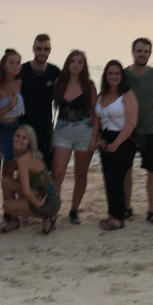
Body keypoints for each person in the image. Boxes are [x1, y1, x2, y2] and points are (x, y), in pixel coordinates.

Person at [123, 38, 153, 226]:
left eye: (146, 51)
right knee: (126, 171)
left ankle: (152, 210)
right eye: (139, 51)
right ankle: (126, 208)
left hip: (150, 129)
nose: (142, 54)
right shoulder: (124, 75)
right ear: (133, 52)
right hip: (127, 131)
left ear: (150, 54)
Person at [51, 50, 97, 224]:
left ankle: (74, 211)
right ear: (68, 64)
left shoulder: (89, 85)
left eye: (80, 62)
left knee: (81, 173)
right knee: (57, 173)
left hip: (84, 129)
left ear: (84, 66)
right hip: (62, 129)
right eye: (73, 61)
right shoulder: (58, 83)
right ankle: (53, 209)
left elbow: (95, 111)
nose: (76, 64)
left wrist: (94, 136)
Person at [93, 60, 138, 230]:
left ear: (122, 76)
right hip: (105, 138)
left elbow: (131, 123)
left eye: (117, 73)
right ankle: (112, 214)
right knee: (109, 179)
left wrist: (116, 144)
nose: (114, 76)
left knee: (118, 179)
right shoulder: (101, 95)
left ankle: (118, 218)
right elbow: (97, 118)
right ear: (106, 76)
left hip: (123, 140)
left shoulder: (127, 95)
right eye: (110, 73)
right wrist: (96, 138)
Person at [0, 49, 25, 228]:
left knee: (8, 175)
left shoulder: (21, 82)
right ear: (4, 65)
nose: (16, 66)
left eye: (18, 62)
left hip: (15, 131)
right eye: (12, 62)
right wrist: (7, 105)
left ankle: (8, 211)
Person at [1, 125, 60, 234]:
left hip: (47, 201)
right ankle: (14, 221)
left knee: (6, 206)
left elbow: (27, 193)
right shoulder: (26, 155)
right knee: (6, 181)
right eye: (17, 136)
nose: (19, 140)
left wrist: (39, 204)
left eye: (24, 138)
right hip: (45, 194)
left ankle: (47, 216)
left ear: (29, 142)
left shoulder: (23, 160)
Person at [20, 34, 60, 168]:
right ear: (33, 49)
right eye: (39, 48)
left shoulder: (54, 72)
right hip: (24, 128)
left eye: (45, 49)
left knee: (43, 170)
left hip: (45, 129)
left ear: (50, 50)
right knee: (22, 170)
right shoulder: (22, 70)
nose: (42, 52)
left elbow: (67, 95)